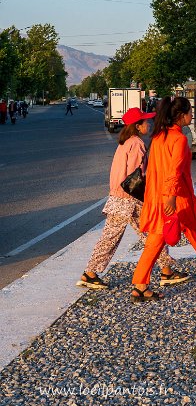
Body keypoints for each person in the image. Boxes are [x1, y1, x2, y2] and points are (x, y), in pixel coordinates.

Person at [133, 96, 196, 302]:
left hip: (158, 197)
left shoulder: (158, 137)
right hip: (177, 200)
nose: (192, 115)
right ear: (181, 116)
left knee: (161, 241)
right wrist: (171, 197)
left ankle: (140, 285)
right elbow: (175, 171)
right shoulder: (179, 139)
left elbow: (154, 170)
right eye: (190, 112)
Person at [77, 108, 189, 290]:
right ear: (138, 126)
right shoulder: (137, 144)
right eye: (146, 122)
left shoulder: (125, 142)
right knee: (151, 233)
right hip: (129, 200)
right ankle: (90, 274)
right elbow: (136, 175)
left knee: (131, 236)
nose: (149, 124)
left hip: (118, 198)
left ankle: (166, 270)